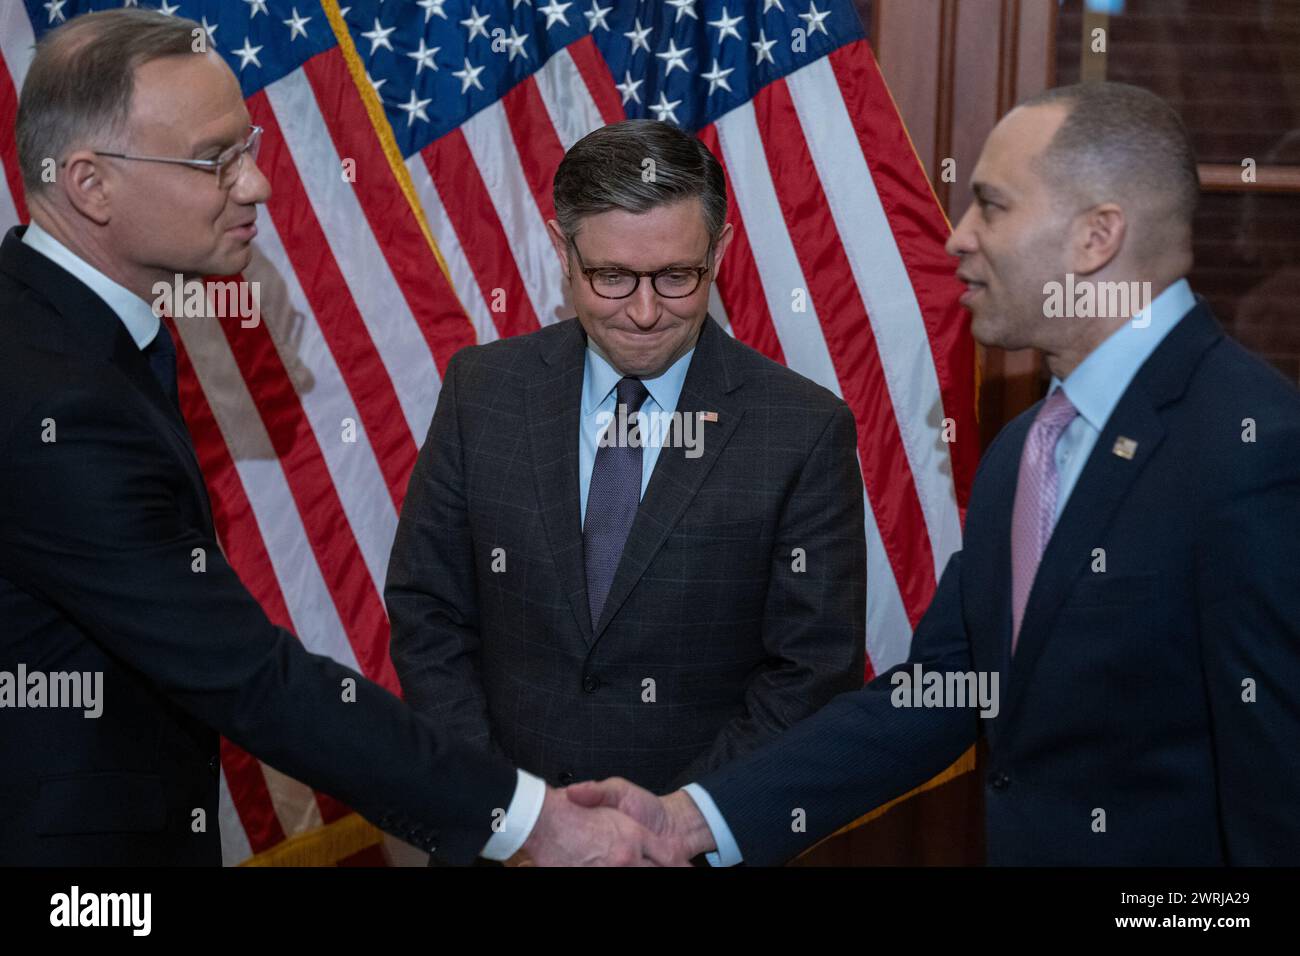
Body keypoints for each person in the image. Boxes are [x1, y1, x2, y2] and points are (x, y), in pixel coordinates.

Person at [0, 8, 671, 867]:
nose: (257, 186)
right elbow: (251, 680)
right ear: (89, 184)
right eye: (216, 161)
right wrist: (538, 822)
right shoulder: (52, 400)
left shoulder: (70, 331)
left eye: (248, 149)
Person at [567, 82, 1300, 866]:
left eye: (992, 205)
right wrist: (688, 821)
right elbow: (938, 697)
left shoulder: (1251, 449)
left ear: (1096, 238)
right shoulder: (1026, 449)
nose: (958, 237)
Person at [385, 119, 866, 824]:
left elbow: (810, 675)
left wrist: (669, 826)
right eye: (611, 277)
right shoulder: (481, 390)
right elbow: (428, 610)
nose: (644, 313)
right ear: (562, 249)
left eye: (677, 276)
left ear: (720, 251)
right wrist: (509, 812)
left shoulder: (802, 429)